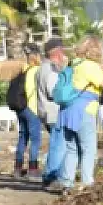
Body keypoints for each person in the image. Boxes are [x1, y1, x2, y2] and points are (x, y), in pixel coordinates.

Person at [56, 36, 103, 191]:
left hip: (67, 110)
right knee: (88, 148)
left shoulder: (73, 64)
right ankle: (87, 182)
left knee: (72, 148)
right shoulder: (90, 66)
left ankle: (67, 182)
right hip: (84, 111)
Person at [35, 37, 68, 184]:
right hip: (53, 113)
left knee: (58, 145)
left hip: (46, 112)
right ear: (57, 53)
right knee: (58, 146)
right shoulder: (50, 69)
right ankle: (51, 176)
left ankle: (55, 174)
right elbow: (53, 92)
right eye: (62, 51)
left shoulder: (42, 68)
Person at [9, 47, 44, 177]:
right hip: (32, 108)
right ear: (37, 58)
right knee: (35, 139)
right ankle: (33, 169)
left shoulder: (22, 71)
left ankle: (17, 168)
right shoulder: (36, 71)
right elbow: (32, 91)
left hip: (20, 108)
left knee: (22, 137)